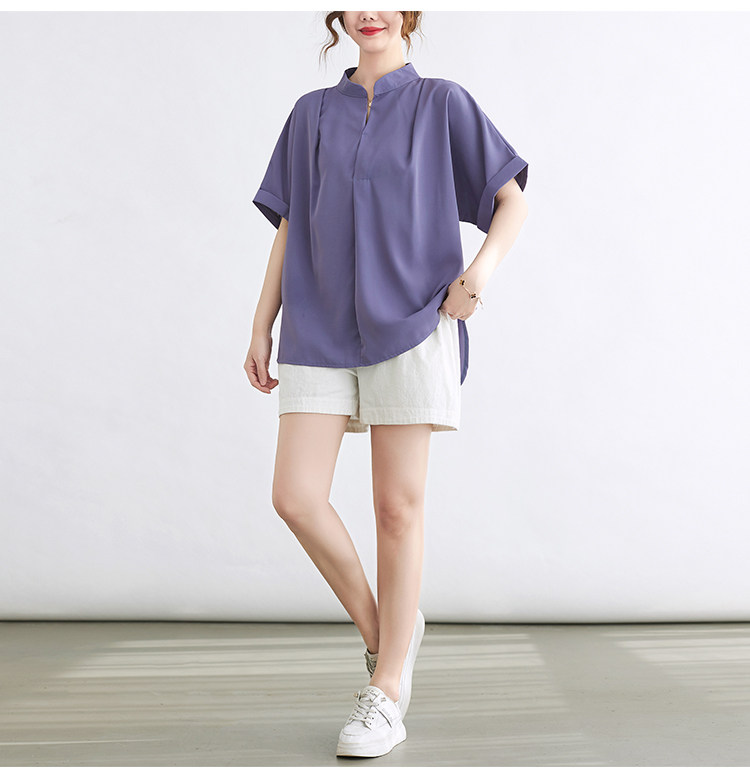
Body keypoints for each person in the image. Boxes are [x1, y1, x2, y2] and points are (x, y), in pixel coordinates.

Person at [244, 11, 529, 759]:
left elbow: (512, 199)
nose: (369, 10)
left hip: (413, 321)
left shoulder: (442, 103)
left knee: (395, 508)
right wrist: (262, 322)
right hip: (317, 325)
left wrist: (477, 276)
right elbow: (288, 226)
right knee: (295, 496)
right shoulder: (310, 114)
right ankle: (389, 635)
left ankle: (387, 689)